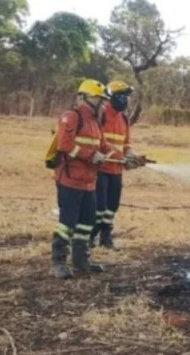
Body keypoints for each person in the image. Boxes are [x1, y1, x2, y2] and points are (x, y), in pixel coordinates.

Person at [50, 79, 121, 279]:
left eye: (102, 99)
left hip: (89, 182)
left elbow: (105, 147)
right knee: (67, 223)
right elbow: (64, 145)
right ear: (84, 98)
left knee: (87, 222)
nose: (102, 103)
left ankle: (81, 261)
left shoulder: (95, 122)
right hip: (71, 179)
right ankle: (58, 263)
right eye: (98, 99)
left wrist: (125, 159)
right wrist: (89, 155)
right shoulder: (71, 117)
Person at [91, 80, 141, 249]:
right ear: (111, 96)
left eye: (127, 97)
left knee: (112, 206)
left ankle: (106, 238)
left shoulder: (124, 119)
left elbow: (126, 145)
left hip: (116, 169)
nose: (125, 100)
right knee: (99, 206)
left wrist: (132, 157)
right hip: (100, 169)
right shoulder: (100, 114)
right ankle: (90, 237)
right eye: (122, 96)